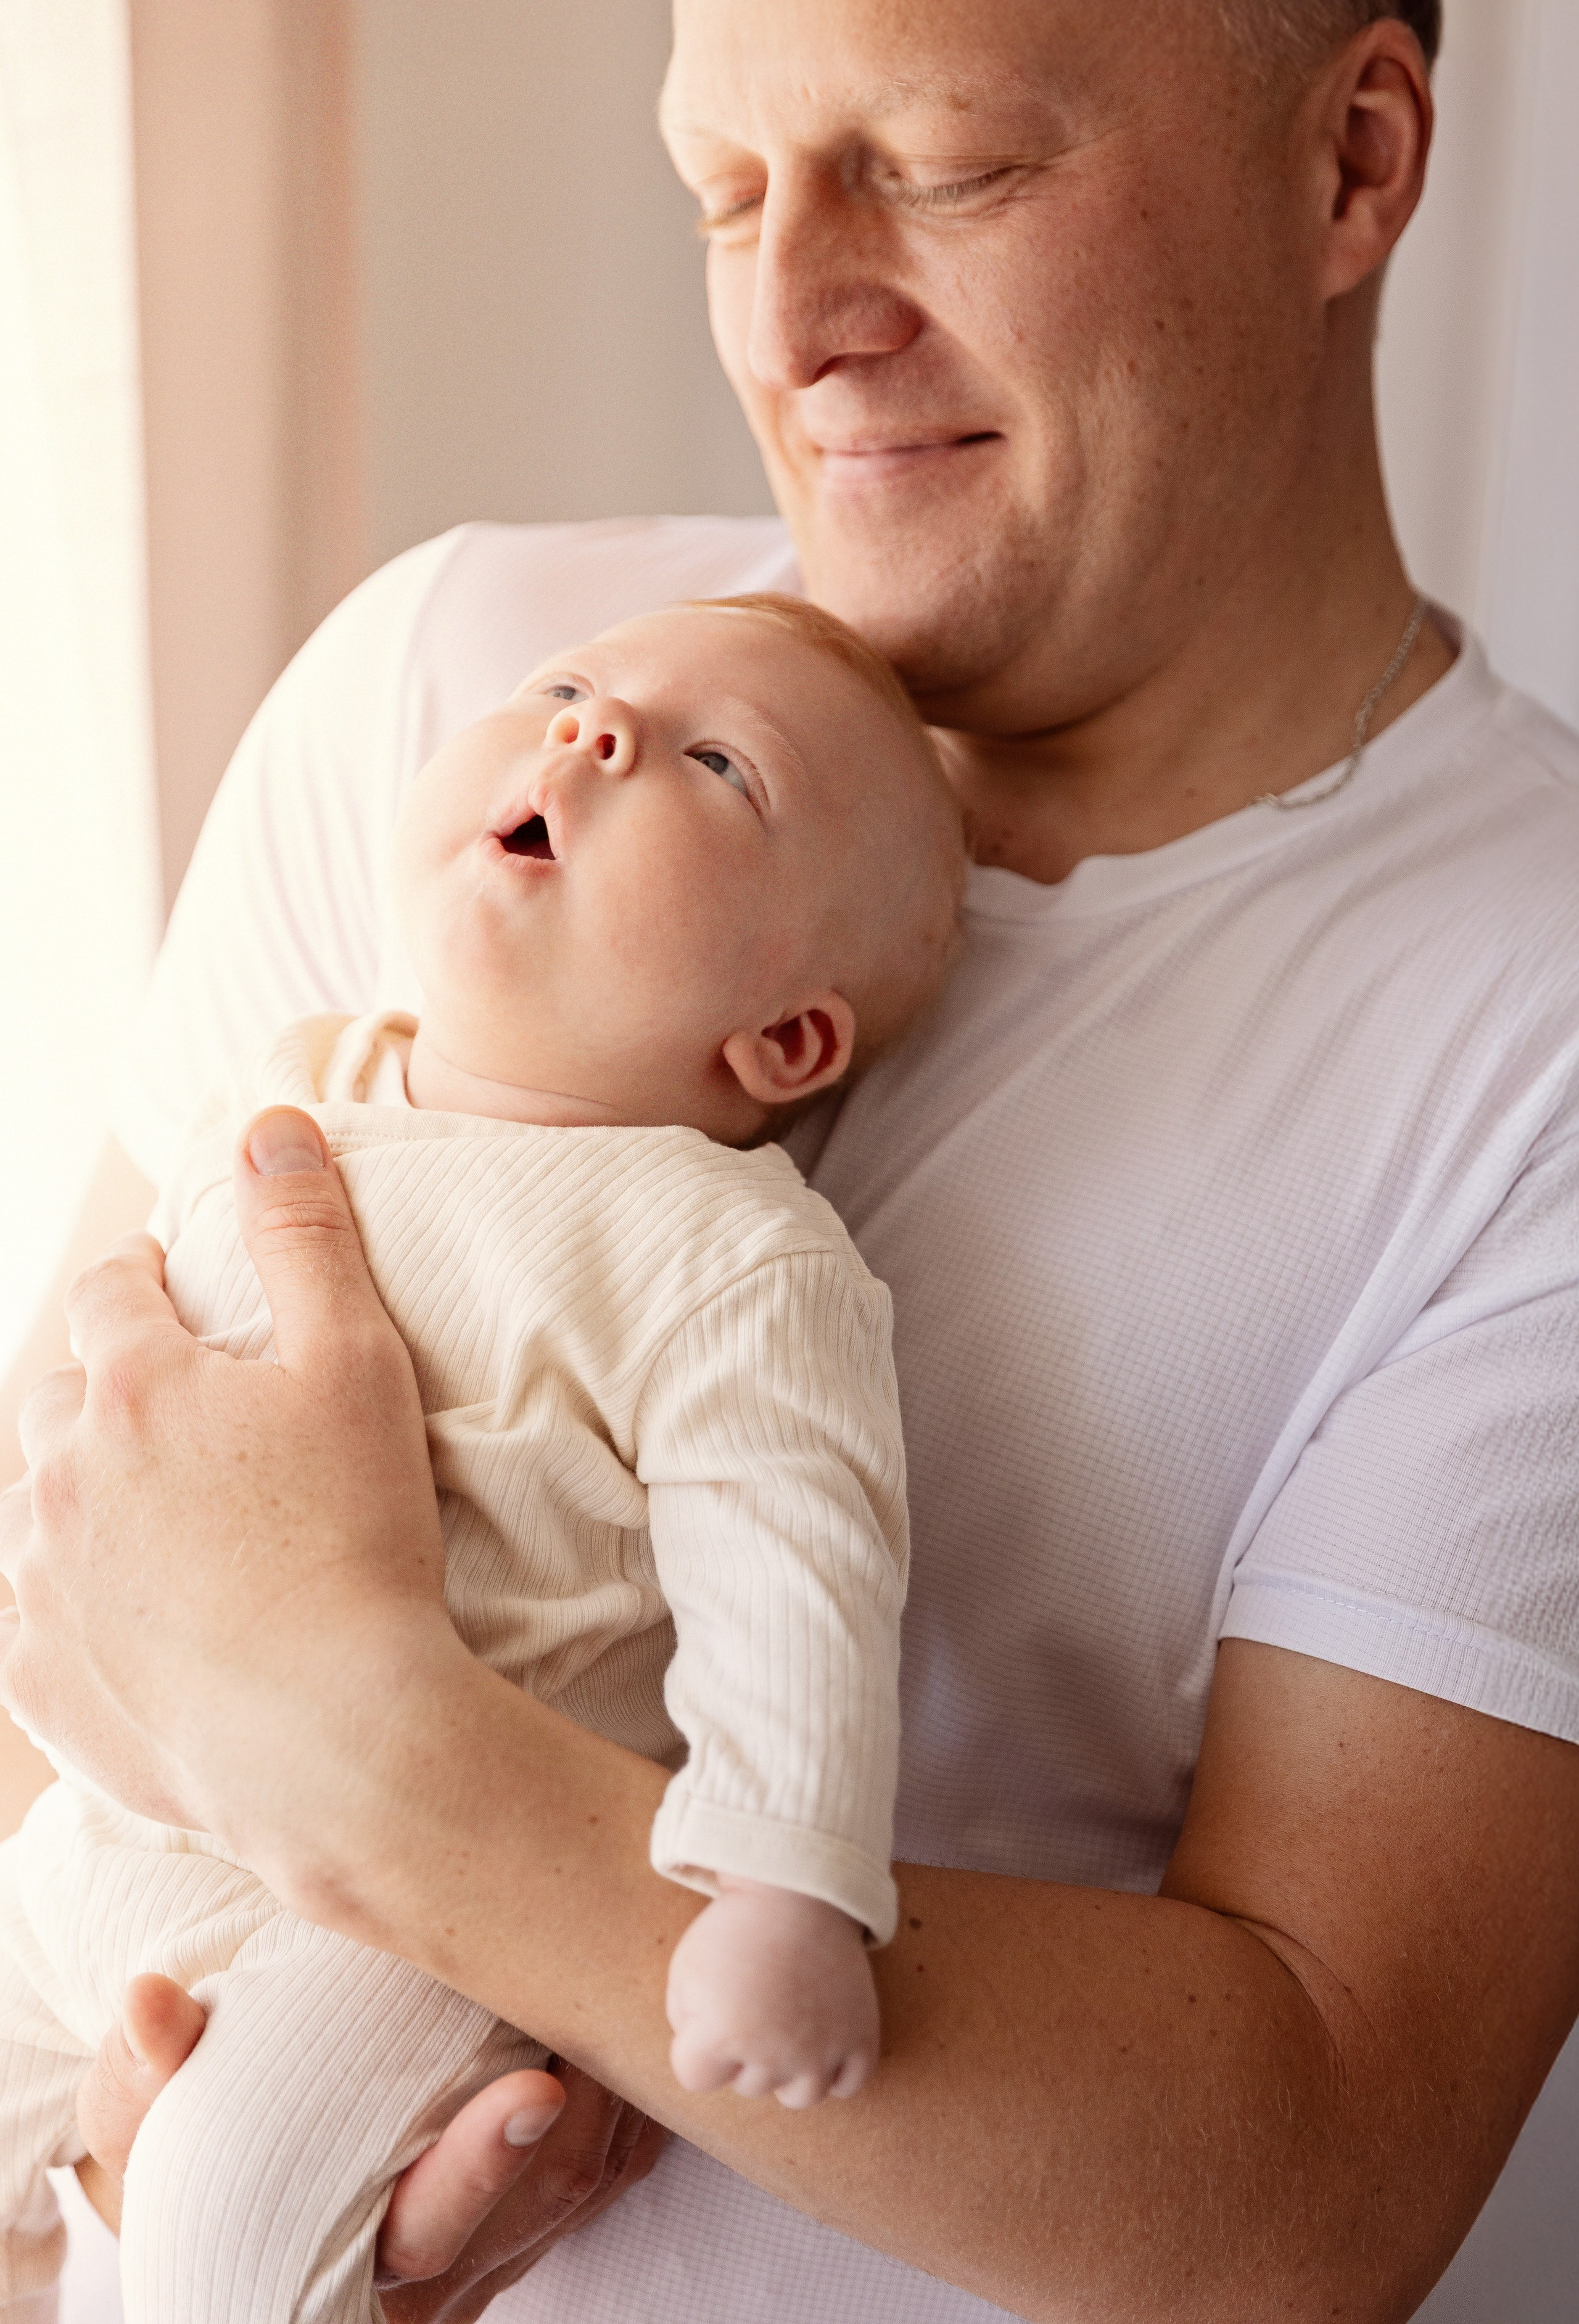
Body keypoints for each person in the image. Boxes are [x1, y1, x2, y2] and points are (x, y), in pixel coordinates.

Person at [4, 1, 1579, 2319]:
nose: (791, 322)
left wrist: (365, 1750)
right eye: (724, 190)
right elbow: (76, 1520)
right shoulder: (454, 704)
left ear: (1351, 161)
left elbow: (1308, 2180)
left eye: (942, 169)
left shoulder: (1527, 1026)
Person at [0, 597, 962, 2319]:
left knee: (221, 2231)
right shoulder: (303, 1077)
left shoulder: (721, 1251)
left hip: (392, 1927)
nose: (593, 731)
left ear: (786, 1043)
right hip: (110, 1815)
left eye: (720, 765)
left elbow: (800, 1568)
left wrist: (789, 1889)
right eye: (571, 686)